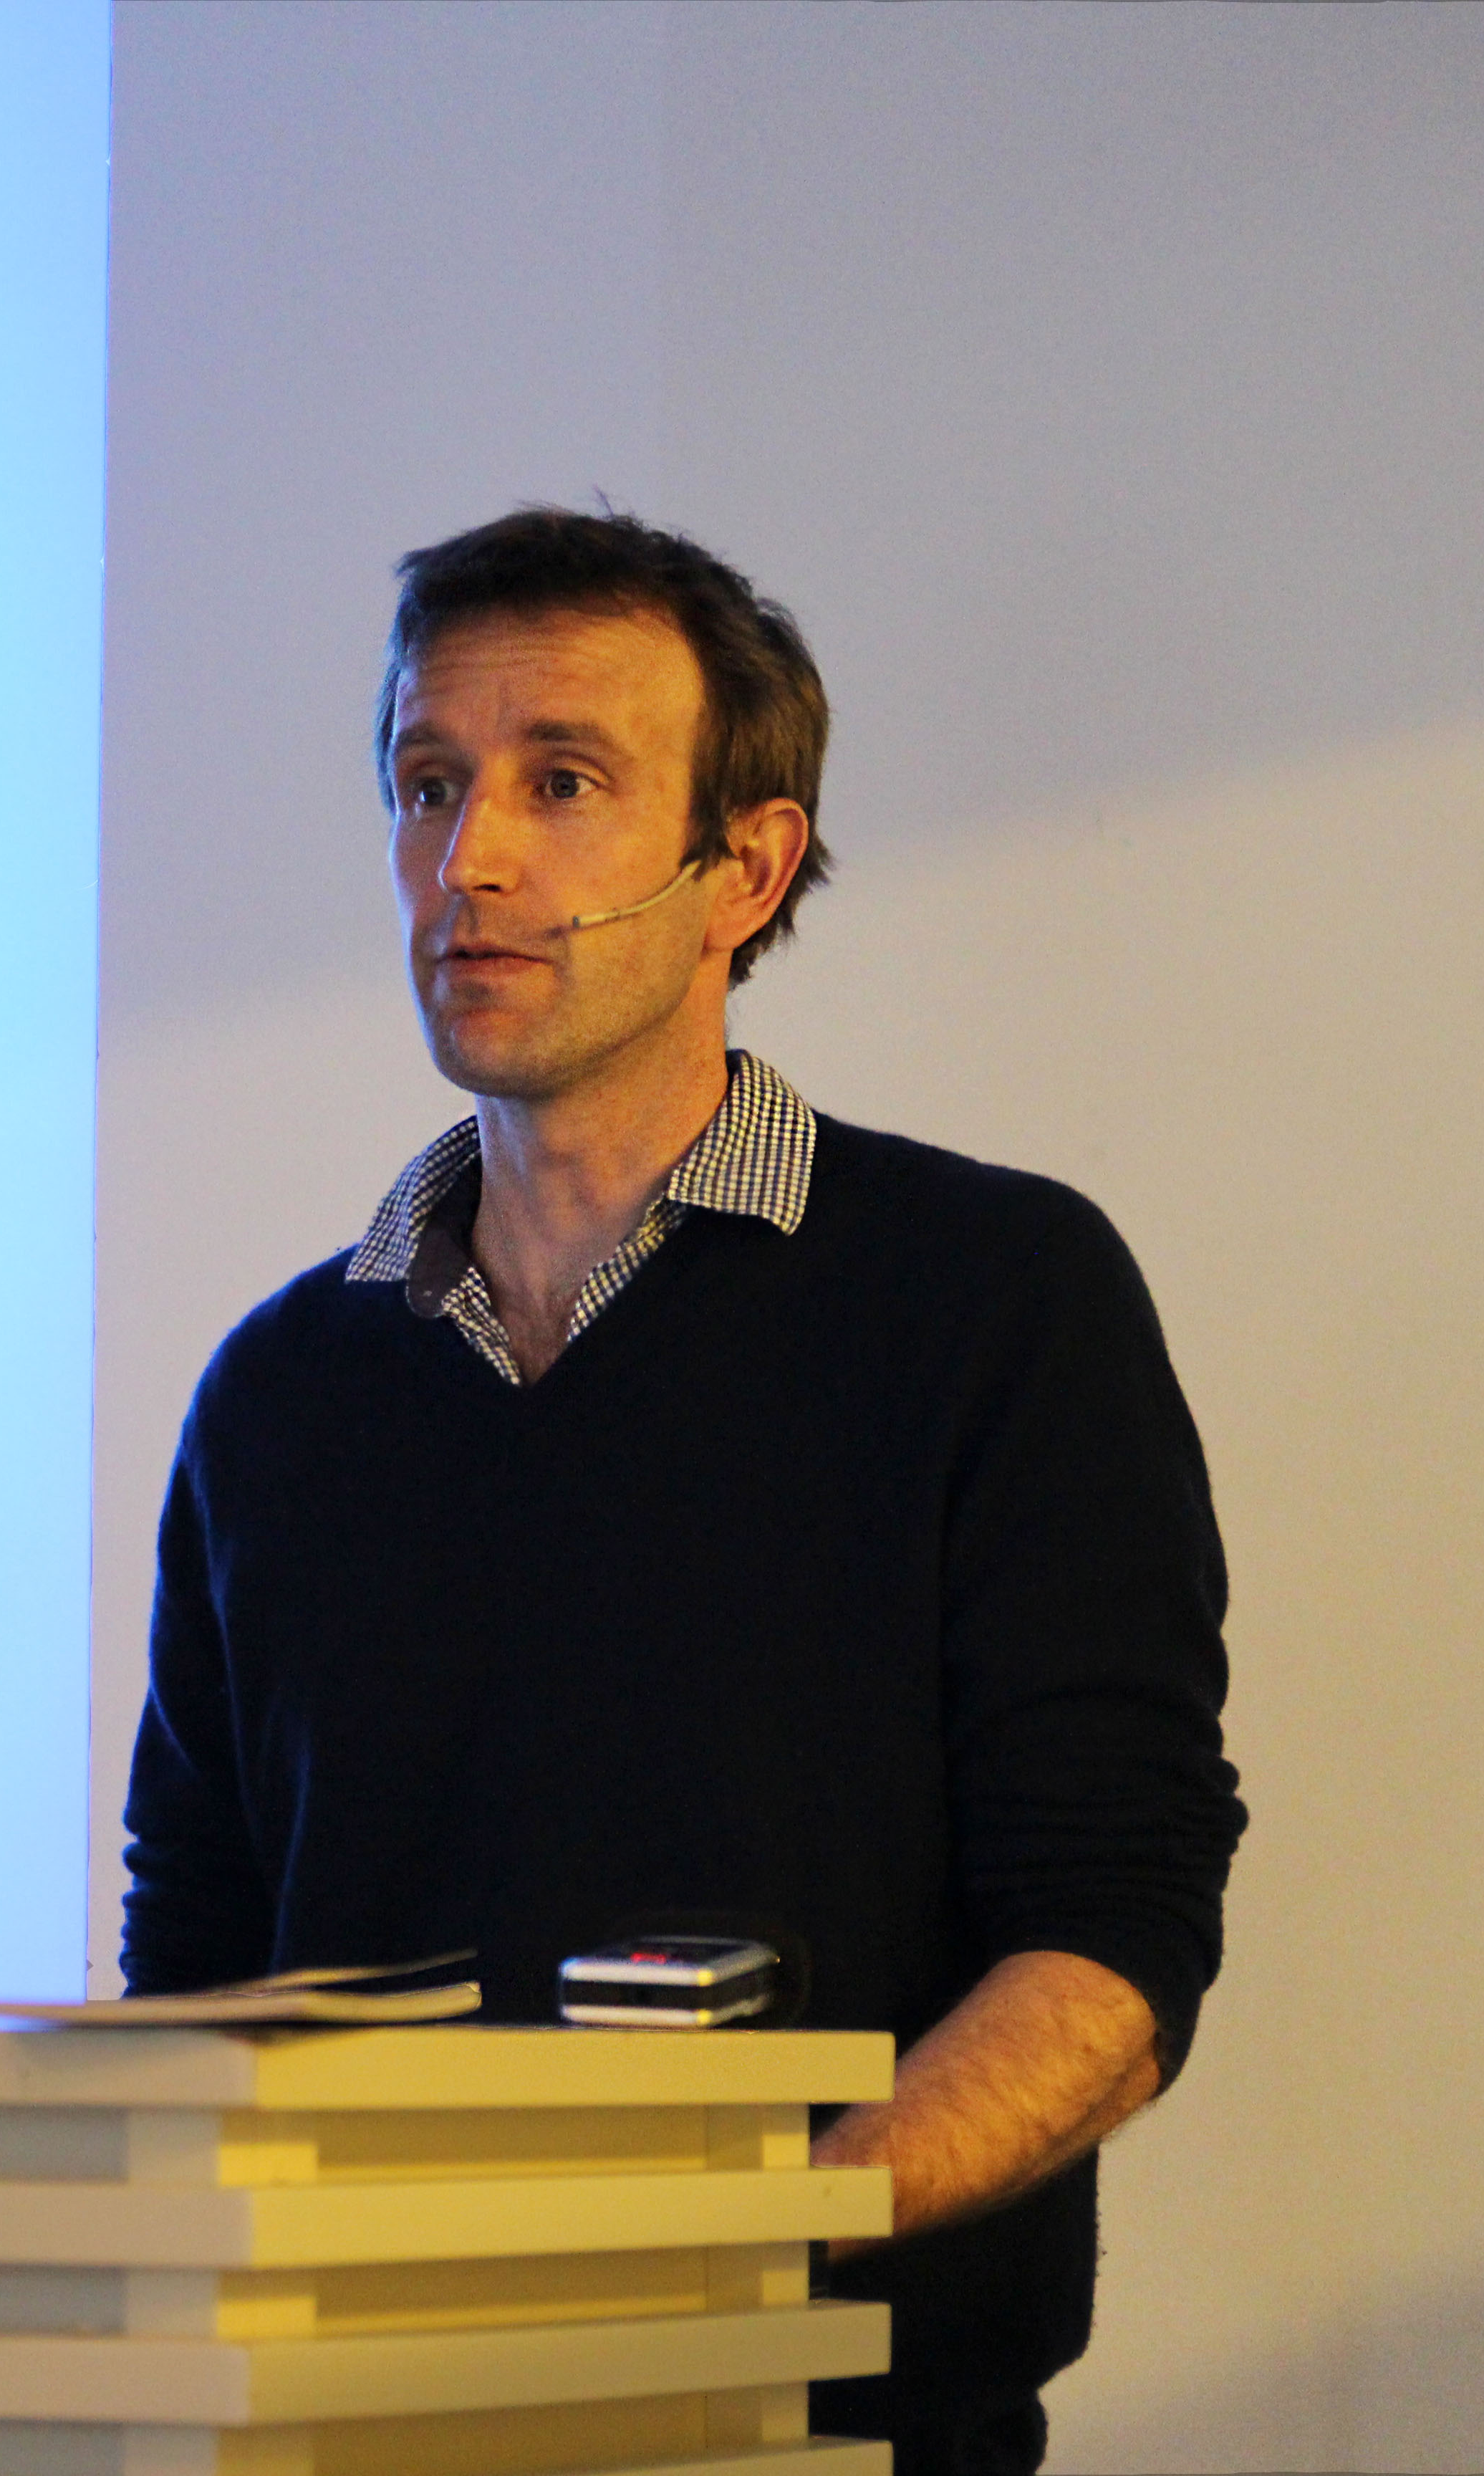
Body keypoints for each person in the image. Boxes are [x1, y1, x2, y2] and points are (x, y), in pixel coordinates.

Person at [120, 507, 1246, 2473]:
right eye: (426, 783)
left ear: (748, 865)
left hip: (815, 2438)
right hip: (349, 2433)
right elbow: (203, 1963)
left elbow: (1112, 1941)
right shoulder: (279, 1397)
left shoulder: (991, 1299)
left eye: (562, 783)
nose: (467, 858)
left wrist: (743, 2242)